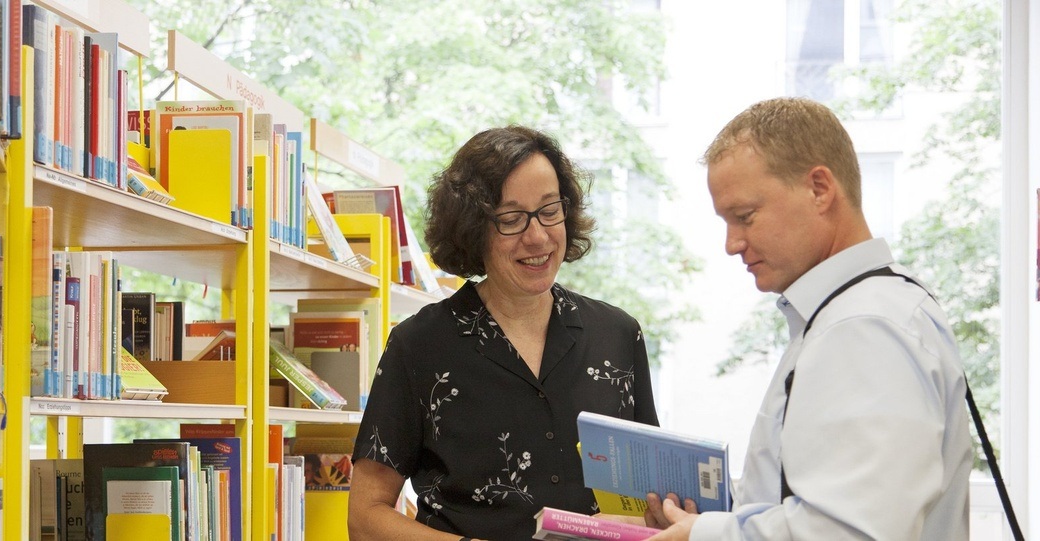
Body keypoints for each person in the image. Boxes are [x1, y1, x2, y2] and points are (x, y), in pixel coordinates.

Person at [642, 97, 972, 540]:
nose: (732, 244)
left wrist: (703, 536)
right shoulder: (854, 313)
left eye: (745, 217)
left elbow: (852, 532)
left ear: (819, 188)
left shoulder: (864, 327)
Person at [348, 125, 660, 540]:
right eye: (512, 219)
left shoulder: (618, 335)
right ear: (473, 229)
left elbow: (648, 496)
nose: (538, 236)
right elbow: (365, 515)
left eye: (550, 210)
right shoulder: (419, 346)